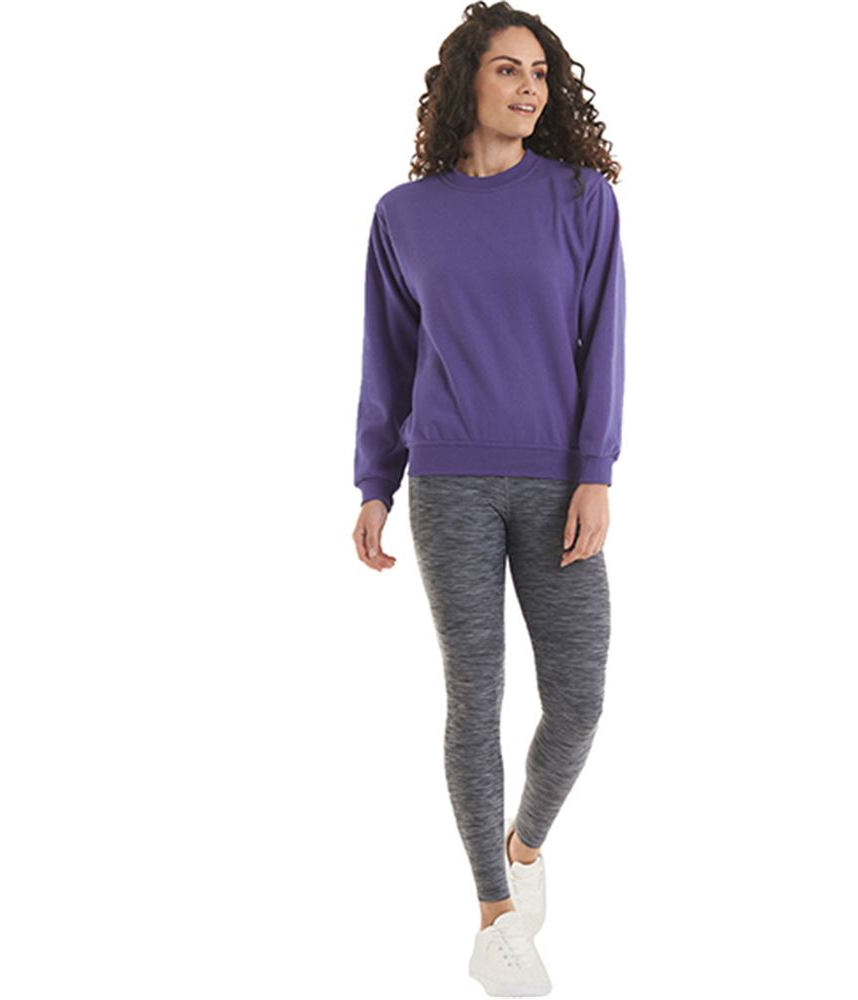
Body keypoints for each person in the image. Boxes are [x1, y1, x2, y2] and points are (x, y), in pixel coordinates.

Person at [350, 3, 626, 994]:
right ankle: (494, 917)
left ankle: (524, 843)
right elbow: (388, 358)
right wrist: (374, 483)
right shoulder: (404, 214)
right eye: (508, 68)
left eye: (541, 73)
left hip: (558, 480)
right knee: (475, 697)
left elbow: (606, 341)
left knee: (579, 698)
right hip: (449, 481)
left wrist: (595, 471)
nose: (528, 87)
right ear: (467, 77)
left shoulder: (582, 198)